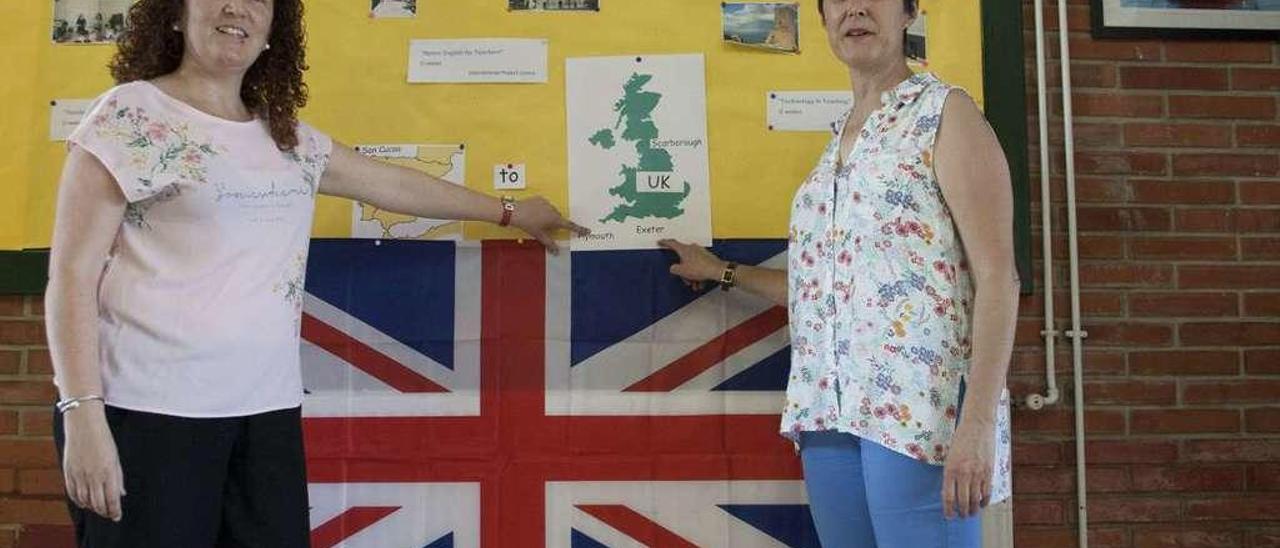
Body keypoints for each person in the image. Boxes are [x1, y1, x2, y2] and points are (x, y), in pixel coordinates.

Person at [45, 0, 584, 545]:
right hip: (146, 412)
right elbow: (70, 276)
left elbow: (394, 185)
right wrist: (82, 415)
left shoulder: (285, 138)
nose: (237, 7)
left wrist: (510, 211)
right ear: (177, 15)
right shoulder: (129, 116)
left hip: (265, 413)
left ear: (274, 31)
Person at [660, 0, 1018, 545]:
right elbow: (822, 290)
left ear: (909, 12)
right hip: (828, 411)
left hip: (918, 415)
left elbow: (999, 279)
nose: (855, 7)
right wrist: (722, 271)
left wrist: (977, 424)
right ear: (824, 19)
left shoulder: (945, 114)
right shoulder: (835, 149)